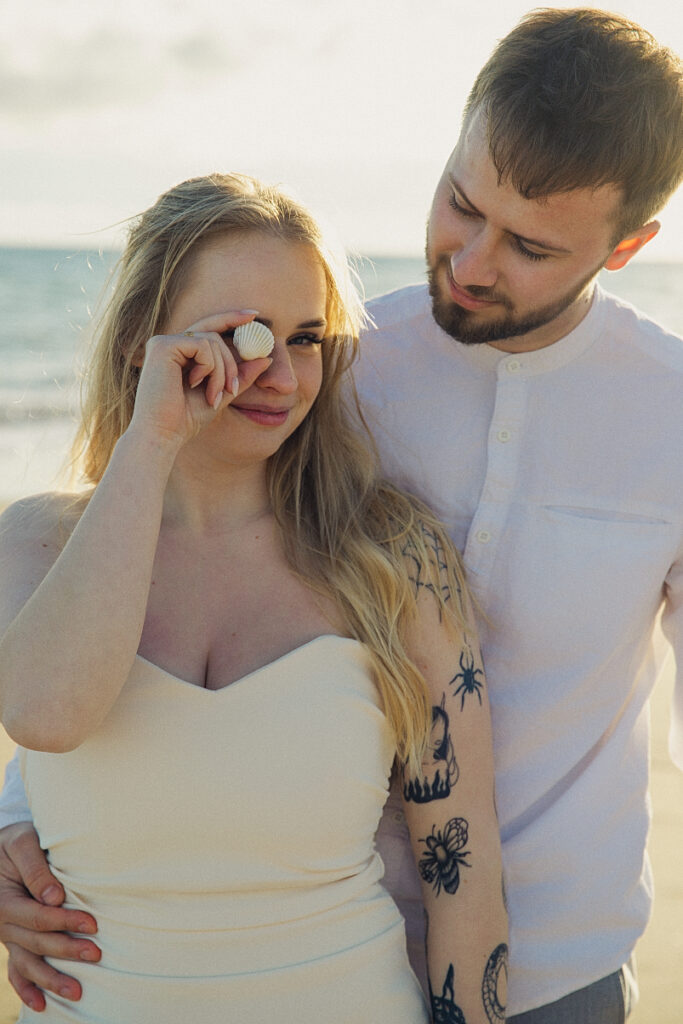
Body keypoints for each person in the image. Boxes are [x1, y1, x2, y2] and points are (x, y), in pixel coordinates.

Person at [0, 5, 681, 1022]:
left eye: (529, 246)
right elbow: (114, 646)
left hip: (553, 964)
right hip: (308, 932)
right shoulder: (346, 365)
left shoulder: (668, 416)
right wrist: (22, 820)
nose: (471, 260)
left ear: (624, 245)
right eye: (460, 203)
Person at [0, 172, 507, 1022]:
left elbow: (464, 872)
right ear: (141, 340)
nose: (279, 372)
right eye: (245, 333)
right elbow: (47, 715)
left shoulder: (389, 555)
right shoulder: (38, 540)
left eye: (306, 337)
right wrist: (152, 439)